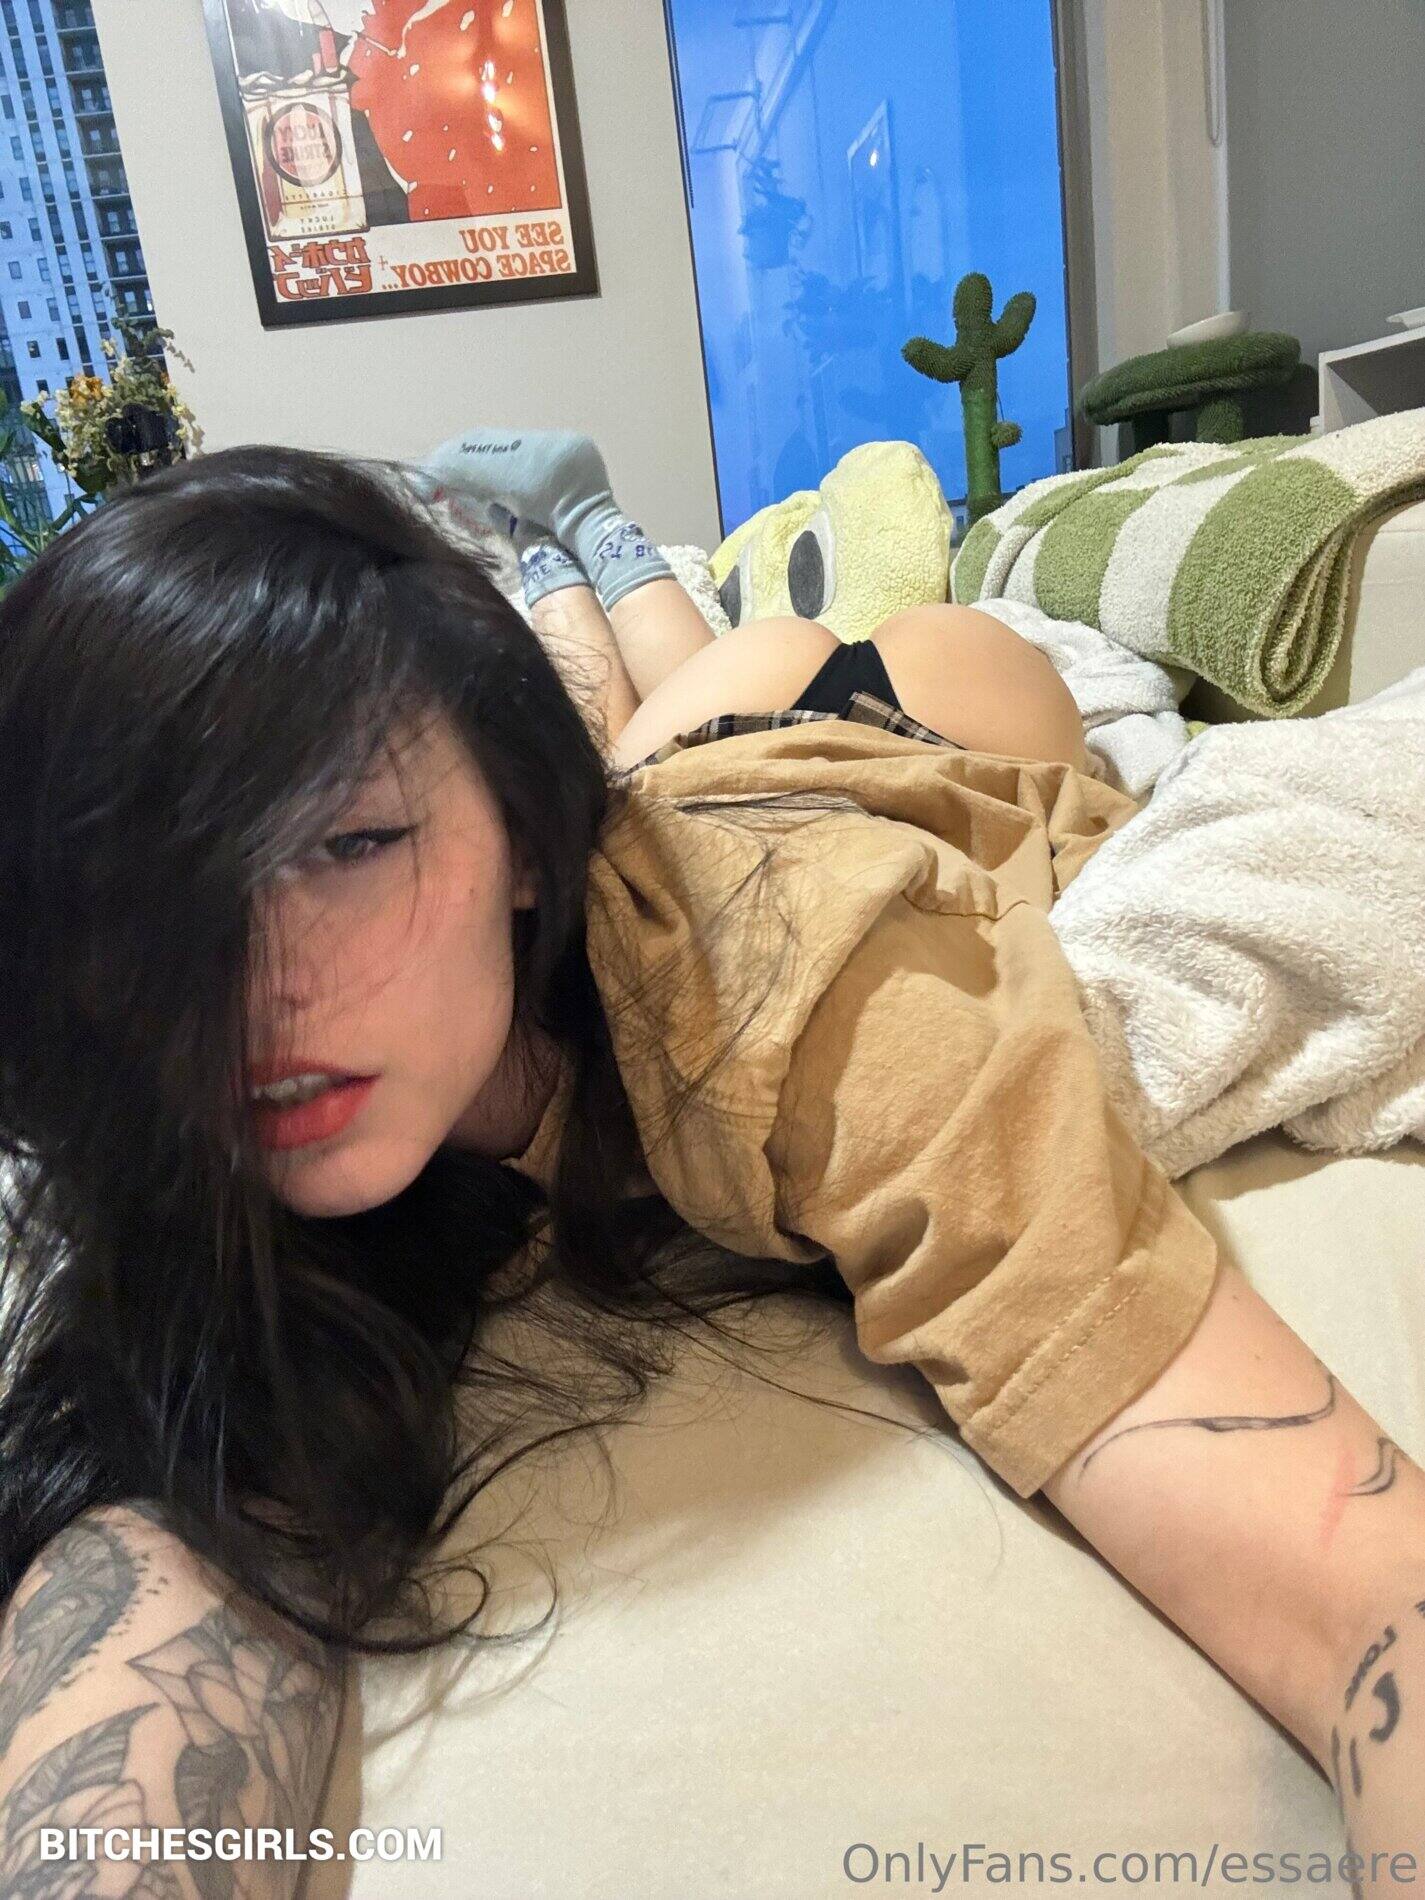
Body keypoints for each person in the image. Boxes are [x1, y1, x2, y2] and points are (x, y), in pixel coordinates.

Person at [0, 440, 1418, 1899]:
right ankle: (570, 543)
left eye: (350, 841)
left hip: (910, 733)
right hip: (670, 781)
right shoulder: (163, 1098)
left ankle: (592, 526)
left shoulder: (822, 1012)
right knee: (647, 719)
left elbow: (1363, 1594)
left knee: (882, 636)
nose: (252, 994)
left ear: (522, 849)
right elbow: (162, 1564)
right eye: (145, 894)